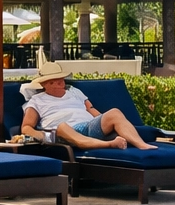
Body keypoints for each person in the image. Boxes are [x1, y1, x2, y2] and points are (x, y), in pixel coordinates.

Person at [21, 64, 156, 151]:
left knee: (114, 112)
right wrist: (41, 136)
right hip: (63, 133)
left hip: (87, 126)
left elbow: (90, 110)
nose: (59, 83)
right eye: (53, 81)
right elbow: (26, 126)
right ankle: (110, 144)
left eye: (61, 79)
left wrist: (105, 121)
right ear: (45, 84)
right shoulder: (37, 100)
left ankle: (141, 145)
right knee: (62, 126)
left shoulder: (74, 91)